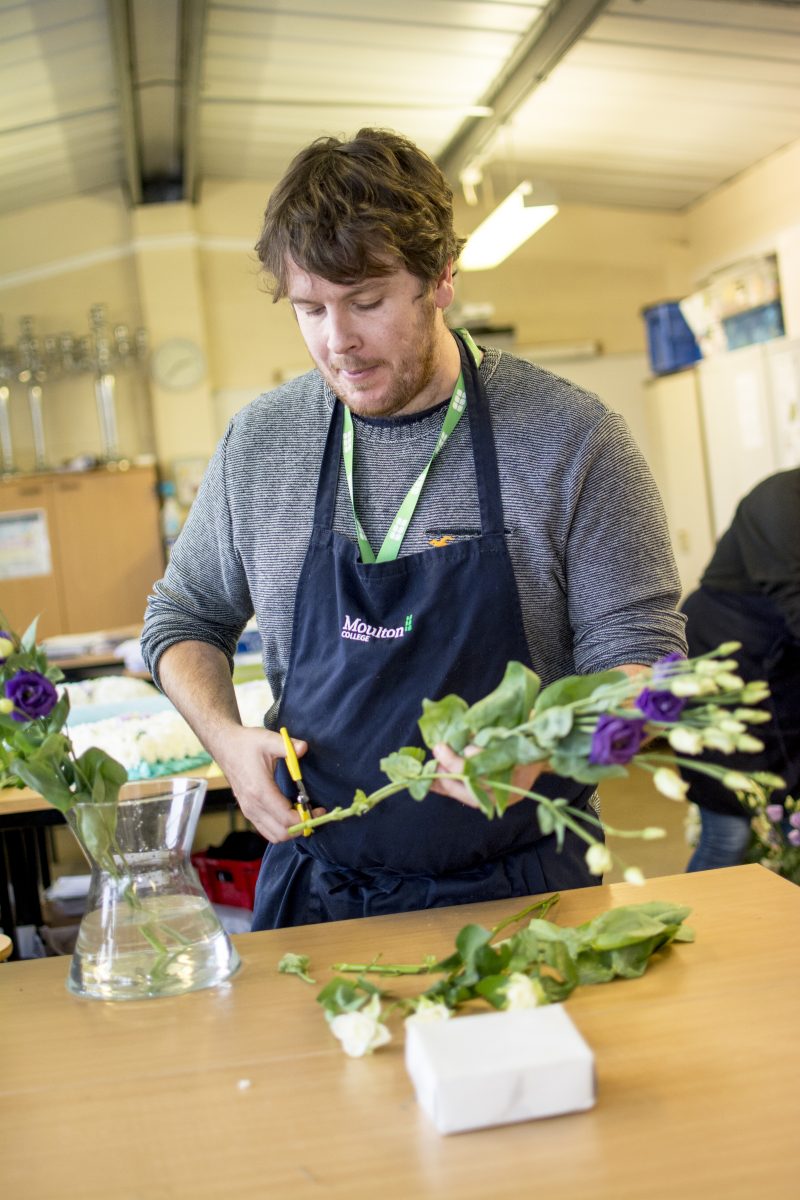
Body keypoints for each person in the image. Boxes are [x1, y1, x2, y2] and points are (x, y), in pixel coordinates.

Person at [141, 127, 686, 929]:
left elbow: (650, 668)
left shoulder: (574, 439)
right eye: (310, 309)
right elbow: (184, 615)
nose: (338, 343)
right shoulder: (262, 444)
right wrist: (223, 736)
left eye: (366, 303)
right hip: (319, 892)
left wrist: (549, 744)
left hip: (529, 892)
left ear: (441, 278)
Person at [681, 467, 800, 870]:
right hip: (723, 666)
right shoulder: (781, 499)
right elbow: (795, 599)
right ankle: (705, 928)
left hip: (782, 670)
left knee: (788, 817)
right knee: (730, 829)